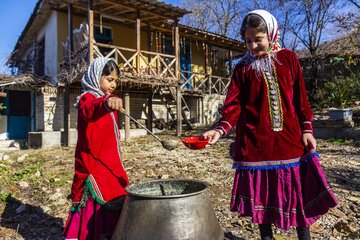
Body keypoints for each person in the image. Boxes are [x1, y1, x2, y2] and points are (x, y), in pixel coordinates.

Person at [203, 10, 339, 240]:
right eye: (248, 41)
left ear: (272, 34)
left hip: (290, 141)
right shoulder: (242, 69)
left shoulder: (288, 59)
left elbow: (300, 98)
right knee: (261, 197)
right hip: (255, 143)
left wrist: (307, 129)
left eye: (258, 39)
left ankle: (303, 236)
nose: (253, 46)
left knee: (297, 194)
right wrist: (220, 129)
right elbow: (234, 104)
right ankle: (266, 237)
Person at [64, 57, 129, 240]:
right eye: (109, 79)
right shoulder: (88, 99)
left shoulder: (107, 100)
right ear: (95, 76)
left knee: (117, 190)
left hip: (110, 161)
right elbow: (89, 111)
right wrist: (106, 103)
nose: (114, 84)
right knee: (99, 198)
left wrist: (109, 102)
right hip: (92, 164)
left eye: (116, 80)